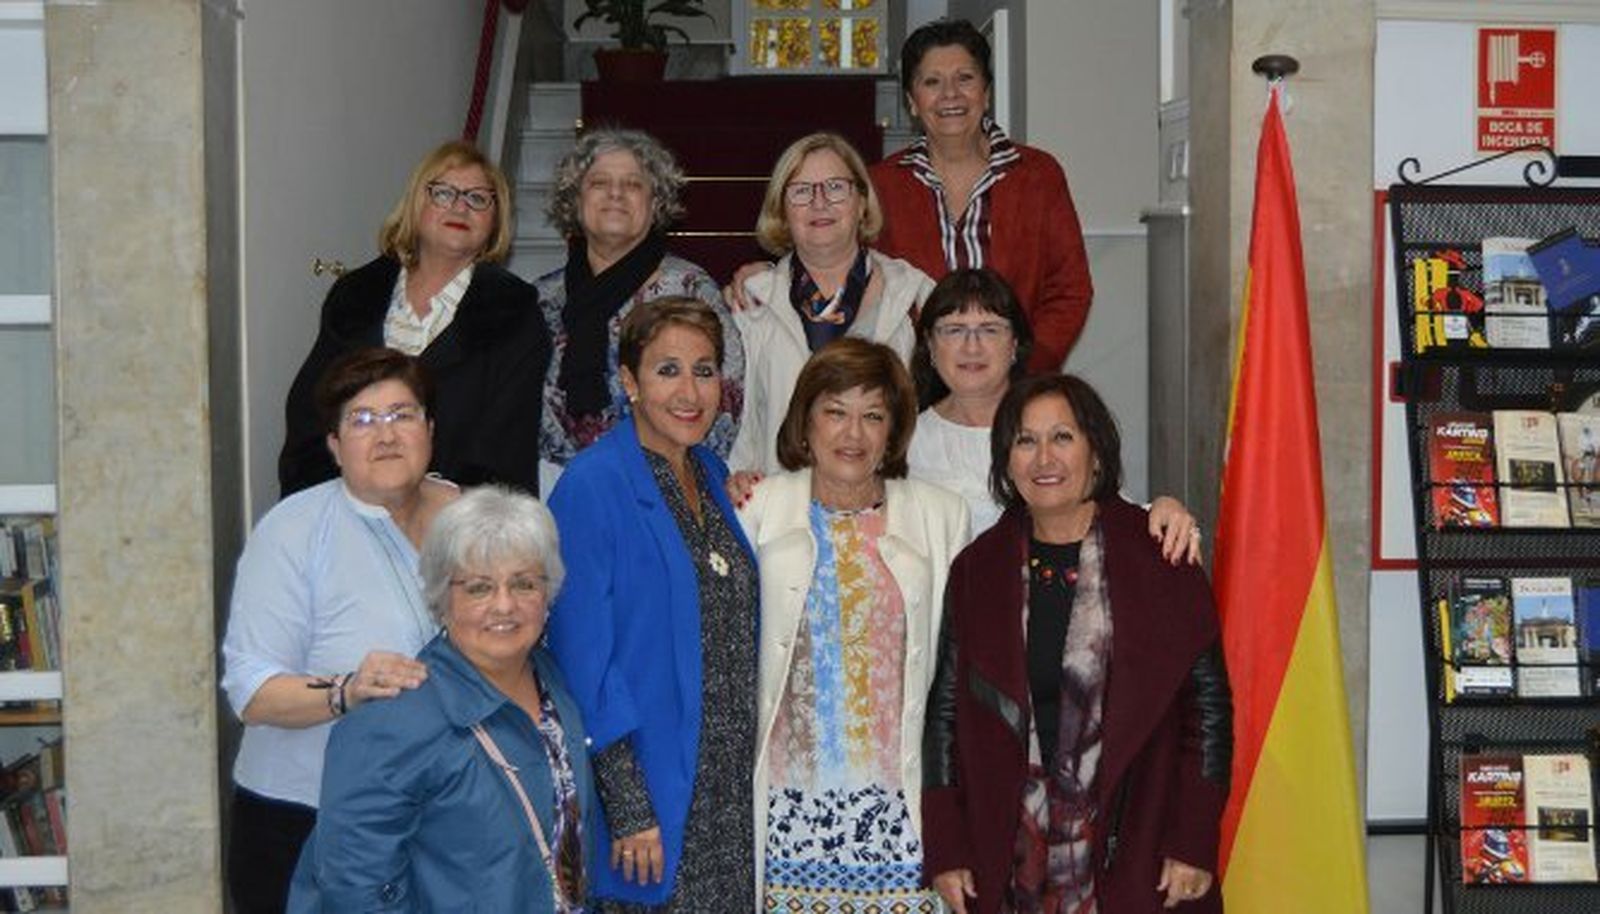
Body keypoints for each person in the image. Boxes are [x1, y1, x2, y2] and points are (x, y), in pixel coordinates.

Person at [922, 374, 1233, 914]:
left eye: (1062, 437)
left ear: (1096, 451)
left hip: (1143, 855)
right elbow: (946, 713)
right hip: (1008, 867)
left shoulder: (1160, 554)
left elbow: (1207, 713)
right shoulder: (978, 569)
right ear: (1006, 460)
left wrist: (1193, 842)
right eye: (1025, 440)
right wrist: (949, 846)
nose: (1044, 457)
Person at [222, 348, 457, 913]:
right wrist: (346, 690)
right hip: (305, 821)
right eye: (361, 419)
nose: (386, 435)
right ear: (333, 444)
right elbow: (251, 693)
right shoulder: (294, 531)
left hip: (436, 814)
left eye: (402, 414)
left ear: (429, 427)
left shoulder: (468, 517)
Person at [738, 338, 969, 912]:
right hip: (787, 814)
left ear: (893, 431)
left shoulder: (942, 516)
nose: (853, 434)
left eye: (873, 416)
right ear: (805, 422)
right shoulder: (756, 510)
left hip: (902, 814)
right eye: (835, 412)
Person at [288, 486, 596, 912]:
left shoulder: (554, 679)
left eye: (524, 583)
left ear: (548, 593)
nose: (504, 606)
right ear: (440, 598)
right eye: (478, 588)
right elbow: (354, 887)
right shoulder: (390, 722)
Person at [545, 297, 759, 911]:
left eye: (705, 369)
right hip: (652, 793)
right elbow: (584, 663)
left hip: (728, 789)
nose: (690, 391)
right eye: (668, 371)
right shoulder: (592, 485)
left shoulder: (716, 475)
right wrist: (630, 807)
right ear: (630, 382)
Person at [280, 140, 548, 497]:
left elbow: (506, 449)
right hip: (346, 509)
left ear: (495, 221)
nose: (460, 207)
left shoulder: (516, 315)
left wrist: (426, 508)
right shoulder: (354, 297)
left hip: (455, 526)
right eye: (443, 193)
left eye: (478, 198)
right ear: (416, 204)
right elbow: (311, 415)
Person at [908, 268, 1201, 556]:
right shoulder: (904, 440)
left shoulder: (1060, 420)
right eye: (954, 330)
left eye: (990, 329)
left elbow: (1111, 511)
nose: (972, 347)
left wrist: (1164, 509)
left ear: (1014, 345)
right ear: (930, 346)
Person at [871, 18, 1093, 372]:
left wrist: (1026, 369)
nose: (950, 95)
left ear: (986, 93)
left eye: (965, 78)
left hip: (1018, 387)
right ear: (913, 101)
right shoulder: (881, 184)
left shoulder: (1038, 174)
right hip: (918, 391)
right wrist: (765, 276)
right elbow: (847, 272)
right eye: (932, 82)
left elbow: (1070, 289)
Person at [538, 128, 743, 493]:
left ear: (655, 204)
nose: (615, 193)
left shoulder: (692, 289)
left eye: (633, 184)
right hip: (562, 486)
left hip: (667, 486)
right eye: (599, 182)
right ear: (576, 200)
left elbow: (724, 399)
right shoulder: (543, 298)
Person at [729, 132, 933, 474]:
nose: (819, 202)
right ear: (781, 210)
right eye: (801, 190)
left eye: (836, 187)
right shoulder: (752, 302)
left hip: (889, 505)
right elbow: (743, 427)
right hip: (786, 509)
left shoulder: (916, 295)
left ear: (862, 202)